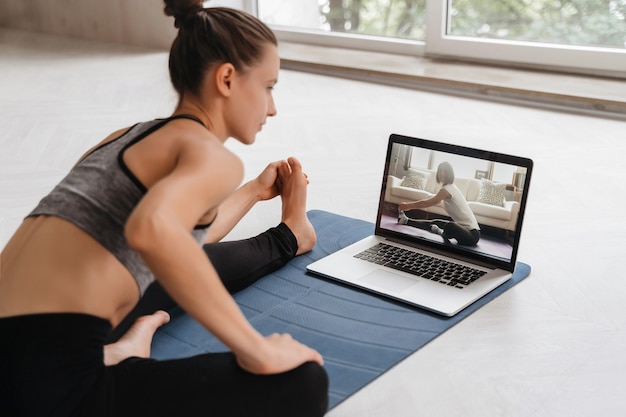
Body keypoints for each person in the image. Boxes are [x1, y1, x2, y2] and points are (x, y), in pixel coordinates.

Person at [0, 3, 328, 417]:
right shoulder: (213, 156)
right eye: (268, 87)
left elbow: (175, 241)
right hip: (48, 391)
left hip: (21, 346)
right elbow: (153, 232)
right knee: (303, 381)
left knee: (178, 266)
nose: (273, 107)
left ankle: (117, 352)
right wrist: (258, 350)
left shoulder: (126, 137)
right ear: (227, 78)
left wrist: (249, 193)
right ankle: (118, 361)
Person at [398, 161, 481, 247]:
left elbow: (427, 203)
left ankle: (440, 232)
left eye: (444, 171)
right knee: (437, 222)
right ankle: (406, 221)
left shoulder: (448, 189)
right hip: (463, 229)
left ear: (449, 174)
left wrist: (408, 205)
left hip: (472, 235)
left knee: (450, 225)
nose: (441, 173)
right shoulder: (448, 188)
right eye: (440, 171)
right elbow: (431, 201)